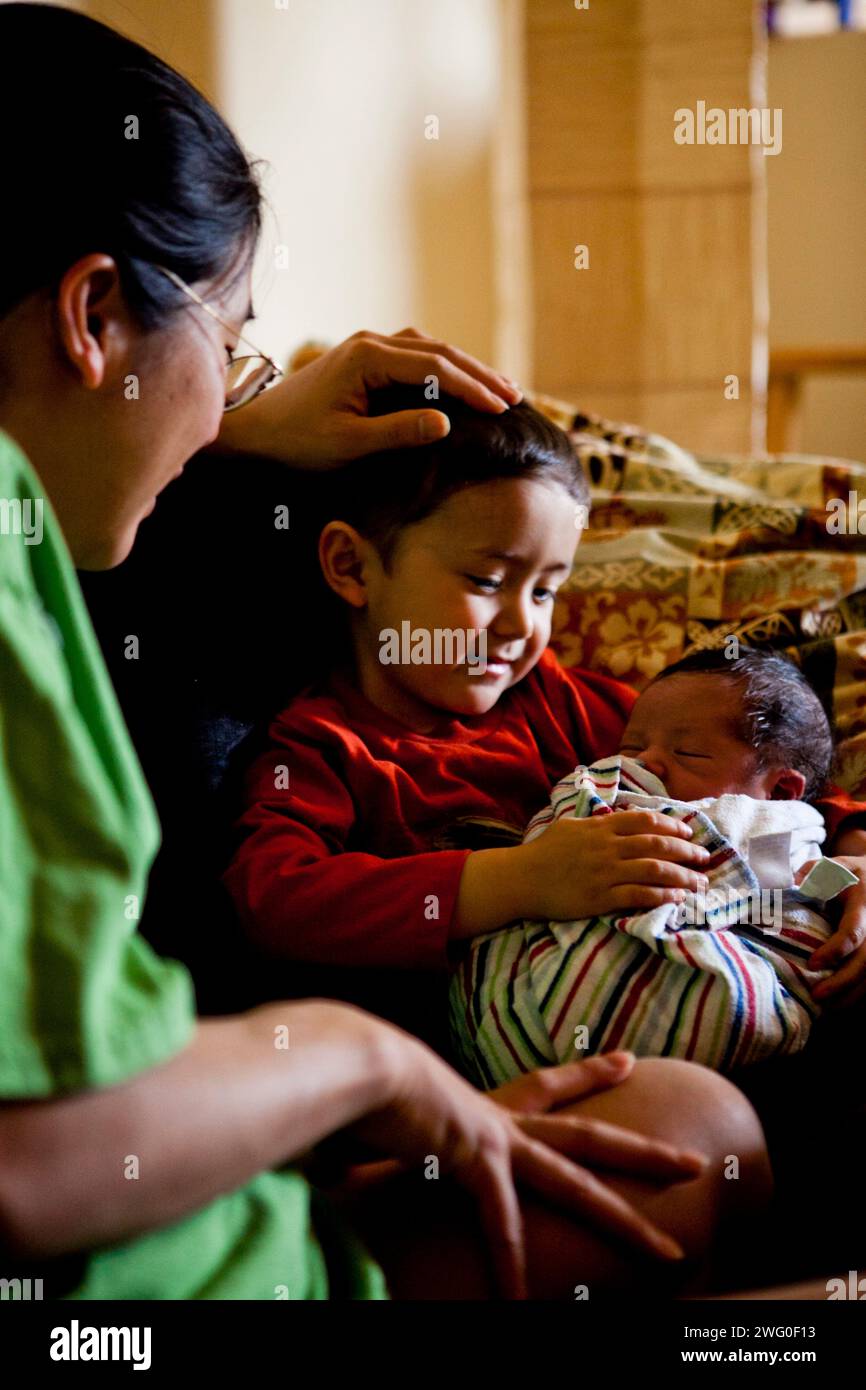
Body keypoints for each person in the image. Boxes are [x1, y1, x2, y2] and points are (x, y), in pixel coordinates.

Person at [0, 3, 781, 1301]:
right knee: (696, 1158)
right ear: (91, 316)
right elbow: (42, 1152)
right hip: (187, 1240)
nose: (239, 392)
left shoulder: (555, 702)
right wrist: (364, 1070)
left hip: (255, 1154)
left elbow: (707, 754)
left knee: (706, 1139)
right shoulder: (291, 729)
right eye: (235, 340)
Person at [224, 389, 866, 1049]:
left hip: (708, 992)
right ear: (352, 565)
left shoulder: (564, 703)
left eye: (545, 590)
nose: (519, 624)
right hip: (499, 1056)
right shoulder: (319, 746)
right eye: (486, 581)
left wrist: (854, 857)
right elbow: (272, 897)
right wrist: (516, 879)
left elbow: (763, 779)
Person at [451, 649, 861, 1085]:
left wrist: (848, 860)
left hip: (707, 1023)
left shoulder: (771, 829)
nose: (643, 762)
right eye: (631, 747)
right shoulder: (612, 782)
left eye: (688, 753)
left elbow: (783, 893)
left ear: (779, 793)